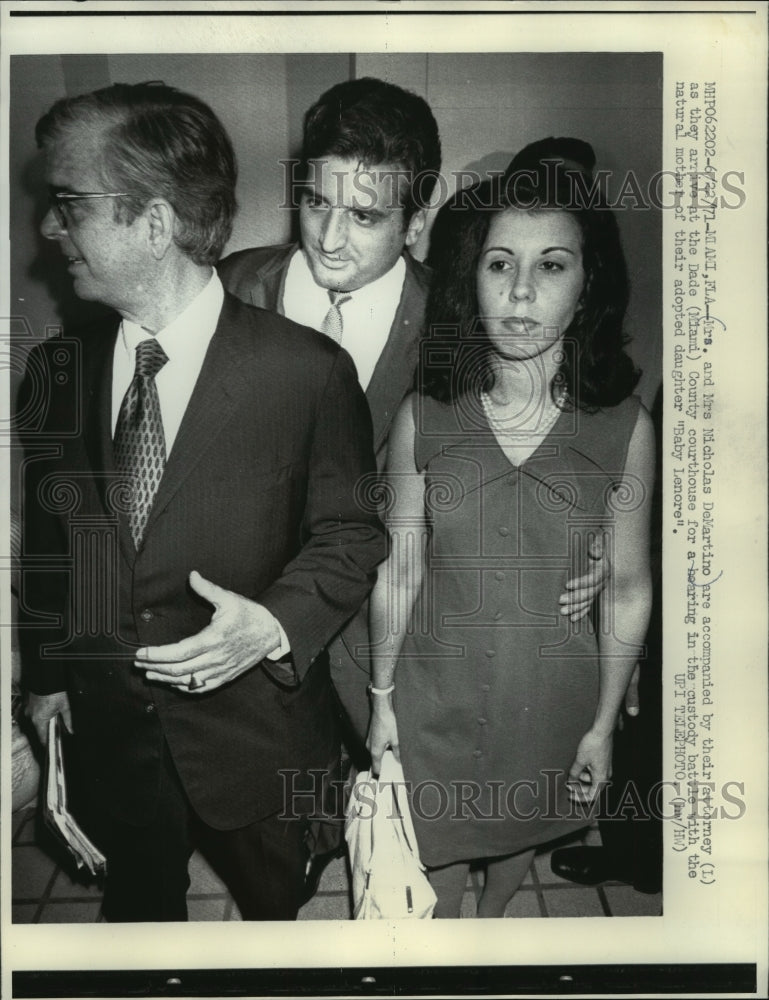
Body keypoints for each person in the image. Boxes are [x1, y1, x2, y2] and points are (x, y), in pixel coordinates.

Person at [218, 80, 607, 899]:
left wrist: (594, 541)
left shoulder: (460, 321)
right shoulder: (227, 292)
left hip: (395, 625)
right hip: (256, 619)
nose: (328, 238)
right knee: (271, 850)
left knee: (398, 811)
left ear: (418, 218)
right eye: (315, 203)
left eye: (364, 217)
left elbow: (547, 435)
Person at [17, 81, 385, 922]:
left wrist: (273, 622)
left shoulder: (305, 374)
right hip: (113, 734)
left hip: (254, 740)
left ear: (153, 221)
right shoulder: (55, 374)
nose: (48, 227)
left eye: (68, 204)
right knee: (142, 919)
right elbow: (49, 542)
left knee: (271, 927)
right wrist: (46, 680)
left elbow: (350, 534)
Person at [367, 144, 655, 918]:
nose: (521, 292)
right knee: (431, 866)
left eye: (551, 266)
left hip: (551, 695)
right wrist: (381, 698)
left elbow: (627, 588)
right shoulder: (422, 416)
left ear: (587, 282)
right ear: (473, 276)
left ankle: (491, 930)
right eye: (500, 265)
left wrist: (602, 726)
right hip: (434, 691)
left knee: (519, 837)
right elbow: (397, 568)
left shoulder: (624, 429)